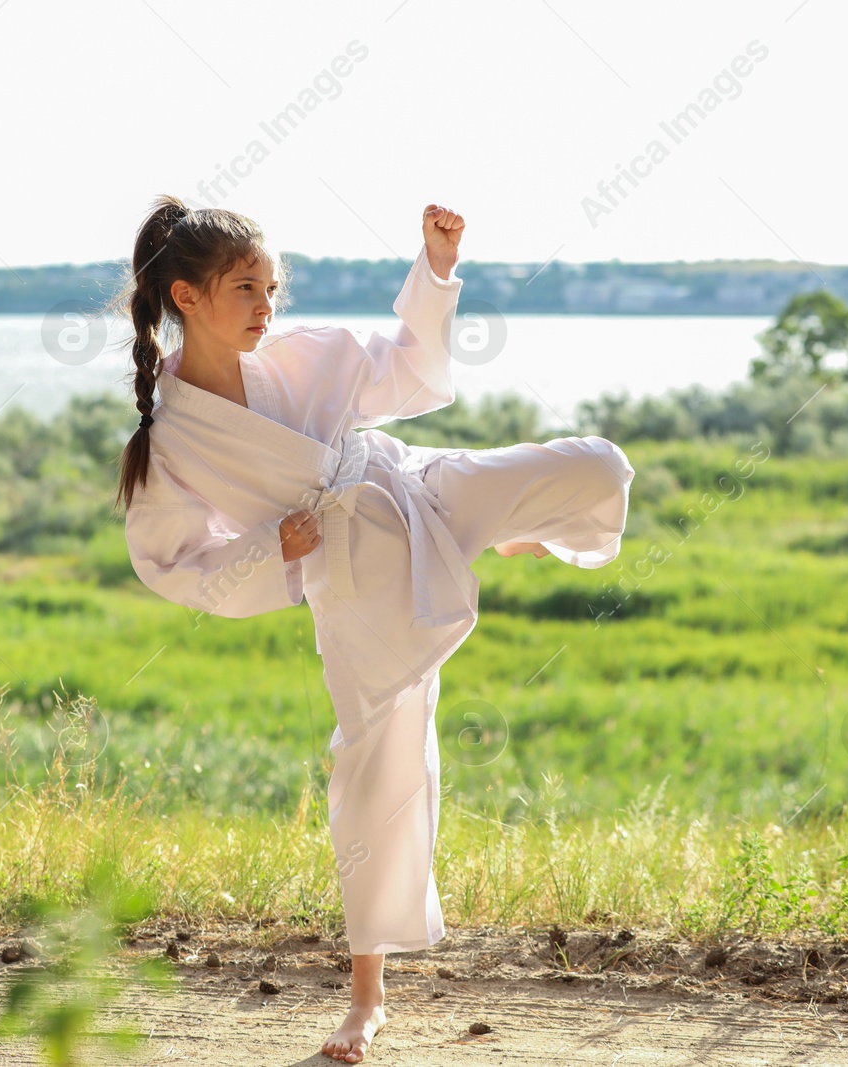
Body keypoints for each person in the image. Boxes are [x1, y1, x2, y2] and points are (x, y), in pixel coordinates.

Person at [113, 194, 635, 1063]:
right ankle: (366, 1000)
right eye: (247, 288)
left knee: (597, 464)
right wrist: (267, 548)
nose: (267, 306)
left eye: (272, 287)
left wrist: (434, 270)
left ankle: (502, 529)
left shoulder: (301, 354)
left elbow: (409, 370)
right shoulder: (171, 438)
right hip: (354, 582)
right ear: (186, 297)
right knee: (379, 772)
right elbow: (173, 562)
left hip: (414, 488)